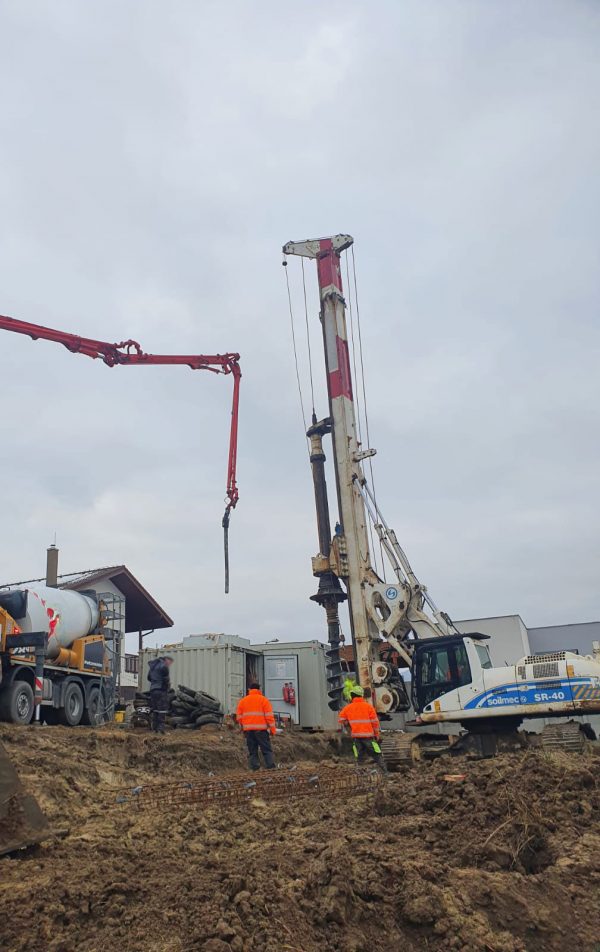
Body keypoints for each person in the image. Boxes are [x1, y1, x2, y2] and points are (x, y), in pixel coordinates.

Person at [338, 684, 387, 772]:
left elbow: (341, 719)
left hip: (356, 737)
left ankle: (361, 774)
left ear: (352, 696)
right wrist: (377, 734)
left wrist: (348, 724)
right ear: (362, 695)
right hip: (368, 737)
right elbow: (375, 723)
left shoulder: (347, 708)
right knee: (377, 754)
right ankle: (385, 772)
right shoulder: (368, 707)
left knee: (359, 757)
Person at [236, 681, 276, 770]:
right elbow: (269, 717)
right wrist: (273, 730)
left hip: (249, 731)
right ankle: (271, 768)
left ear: (250, 689)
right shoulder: (264, 700)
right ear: (259, 690)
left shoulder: (243, 701)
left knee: (252, 751)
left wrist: (244, 726)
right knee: (266, 750)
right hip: (261, 730)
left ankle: (255, 769)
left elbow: (238, 717)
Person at [147, 656, 173, 734]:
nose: (170, 664)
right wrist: (167, 687)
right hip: (161, 690)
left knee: (155, 710)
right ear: (166, 660)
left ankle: (155, 729)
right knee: (162, 710)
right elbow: (166, 679)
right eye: (170, 662)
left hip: (153, 690)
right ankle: (161, 730)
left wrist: (155, 681)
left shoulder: (153, 666)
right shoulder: (163, 666)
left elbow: (149, 678)